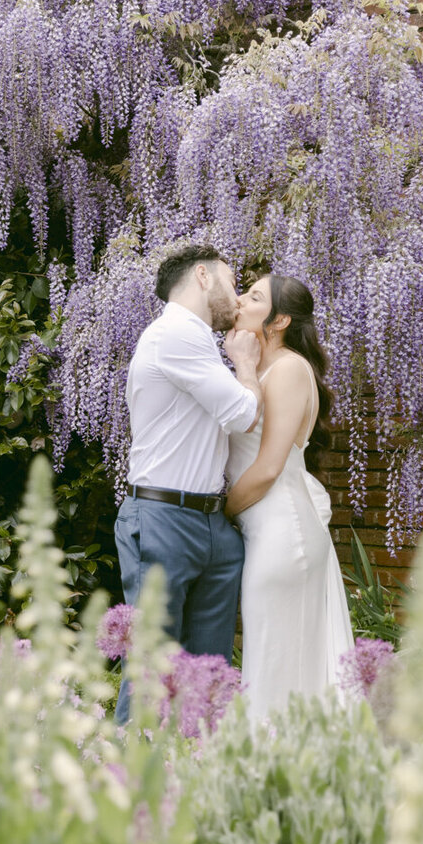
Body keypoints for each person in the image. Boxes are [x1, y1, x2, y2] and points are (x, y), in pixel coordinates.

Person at [114, 244, 262, 724]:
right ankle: (123, 785)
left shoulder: (196, 340)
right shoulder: (174, 334)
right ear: (203, 276)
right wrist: (246, 364)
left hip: (212, 522)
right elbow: (241, 413)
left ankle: (196, 784)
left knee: (209, 675)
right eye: (233, 281)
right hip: (163, 518)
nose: (237, 297)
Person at [224, 272, 353, 729]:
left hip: (283, 532)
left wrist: (218, 511)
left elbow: (268, 466)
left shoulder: (289, 369)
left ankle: (281, 775)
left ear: (278, 320)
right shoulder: (258, 369)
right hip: (266, 530)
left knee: (277, 663)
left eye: (254, 296)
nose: (239, 299)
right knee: (270, 657)